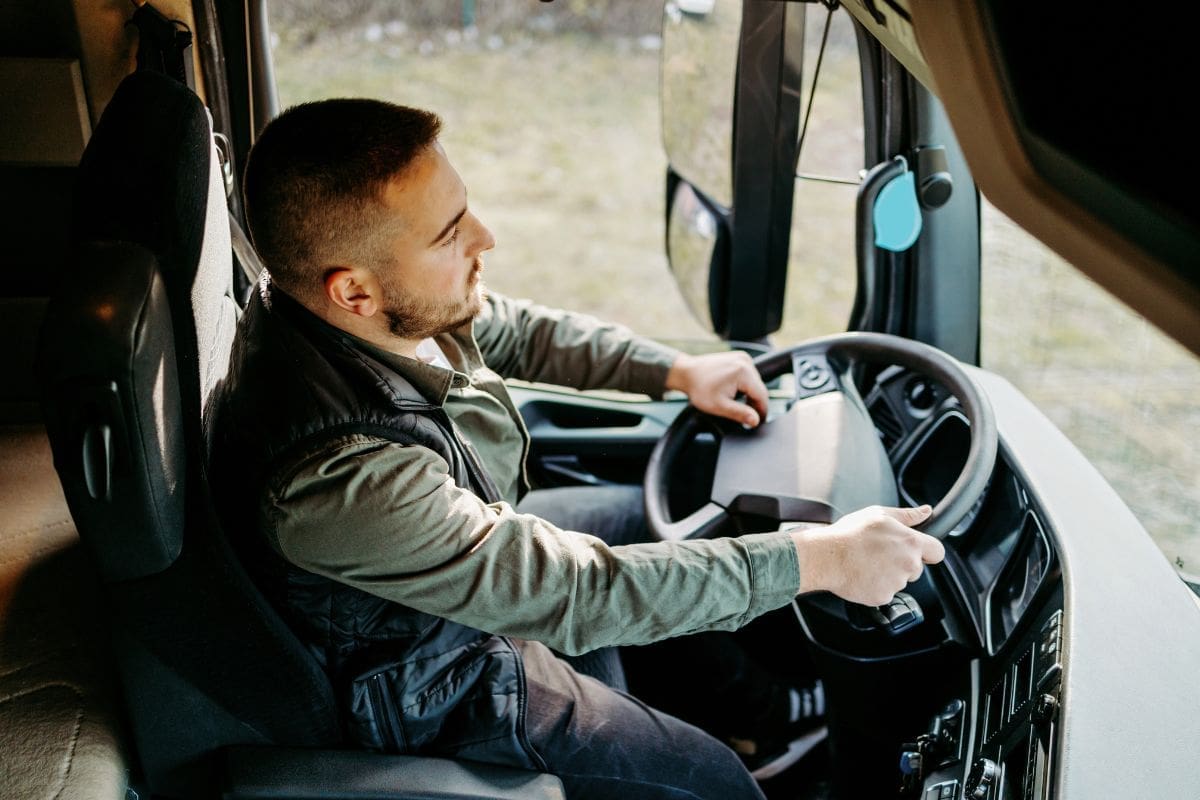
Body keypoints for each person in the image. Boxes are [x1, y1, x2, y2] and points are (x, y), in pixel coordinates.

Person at [206, 98, 945, 800]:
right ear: (354, 291)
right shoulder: (340, 477)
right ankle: (741, 752)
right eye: (449, 233)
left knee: (649, 519)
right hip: (427, 671)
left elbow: (516, 330)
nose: (485, 239)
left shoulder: (361, 311)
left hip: (449, 573)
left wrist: (676, 370)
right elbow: (576, 595)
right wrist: (820, 560)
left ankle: (769, 711)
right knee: (706, 780)